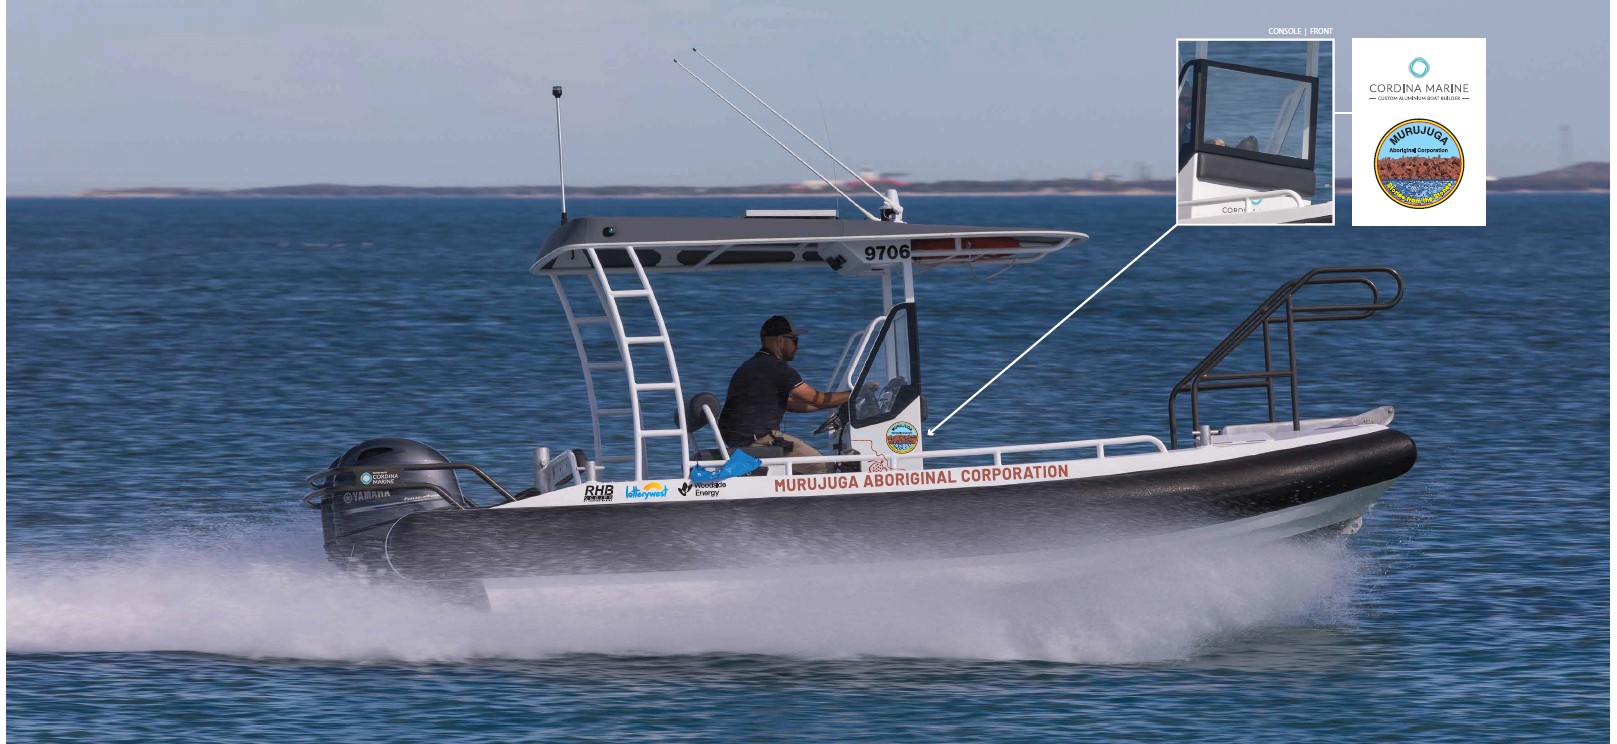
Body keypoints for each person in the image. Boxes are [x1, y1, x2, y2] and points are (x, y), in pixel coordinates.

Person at [717, 315, 851, 475]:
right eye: (794, 340)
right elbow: (817, 398)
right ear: (780, 340)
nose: (798, 347)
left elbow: (792, 404)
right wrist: (853, 394)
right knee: (826, 466)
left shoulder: (752, 366)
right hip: (760, 440)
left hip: (740, 439)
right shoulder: (778, 370)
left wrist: (831, 404)